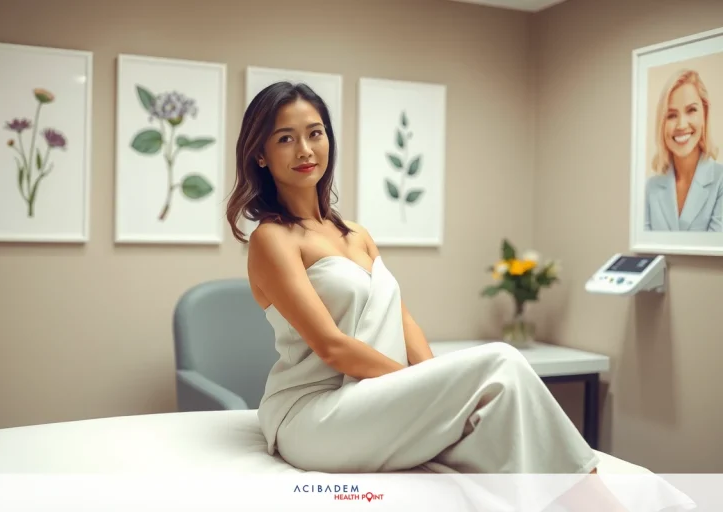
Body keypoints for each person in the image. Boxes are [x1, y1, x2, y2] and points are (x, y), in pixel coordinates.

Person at [225, 81, 633, 510]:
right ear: (260, 155)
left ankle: (574, 499)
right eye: (285, 139)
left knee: (498, 413)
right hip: (315, 415)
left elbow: (403, 321)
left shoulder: (357, 234)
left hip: (372, 399)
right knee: (502, 361)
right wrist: (427, 386)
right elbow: (332, 346)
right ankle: (598, 501)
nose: (305, 150)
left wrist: (438, 385)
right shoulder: (272, 239)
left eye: (315, 132)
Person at [645, 68, 723, 232]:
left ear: (705, 114)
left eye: (691, 110)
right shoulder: (650, 188)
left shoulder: (720, 181)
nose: (681, 125)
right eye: (672, 115)